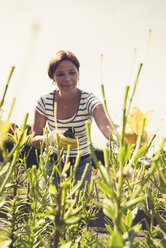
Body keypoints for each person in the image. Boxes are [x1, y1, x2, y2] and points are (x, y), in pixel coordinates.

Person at [32, 50, 113, 191]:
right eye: (60, 74)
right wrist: (50, 138)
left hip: (82, 165)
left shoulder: (89, 100)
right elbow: (34, 140)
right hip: (52, 162)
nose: (67, 78)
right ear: (52, 77)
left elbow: (107, 128)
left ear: (78, 73)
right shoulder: (44, 102)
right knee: (49, 209)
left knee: (78, 209)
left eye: (72, 72)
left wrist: (126, 133)